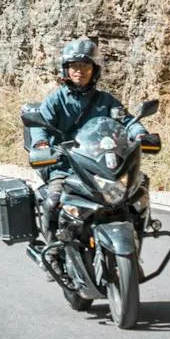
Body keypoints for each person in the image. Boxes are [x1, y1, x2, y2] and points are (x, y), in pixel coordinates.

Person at [31, 38, 128, 240]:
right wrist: (41, 144)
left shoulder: (106, 100)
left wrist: (140, 133)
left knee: (133, 195)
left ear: (94, 69)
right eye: (74, 66)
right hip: (64, 166)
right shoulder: (55, 99)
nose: (79, 71)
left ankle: (135, 236)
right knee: (53, 203)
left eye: (85, 65)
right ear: (65, 70)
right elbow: (40, 125)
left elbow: (125, 120)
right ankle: (52, 251)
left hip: (97, 165)